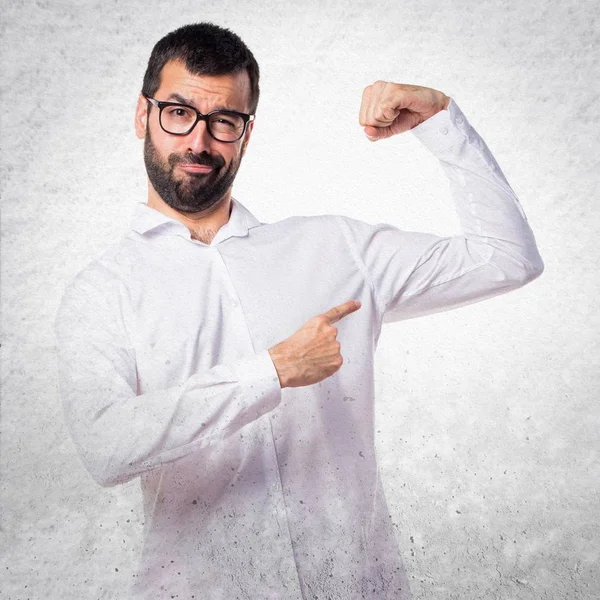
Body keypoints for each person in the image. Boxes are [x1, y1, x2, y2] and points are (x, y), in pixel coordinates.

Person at [54, 22, 544, 600]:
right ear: (143, 115)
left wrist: (441, 122)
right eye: (178, 113)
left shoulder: (336, 250)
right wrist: (271, 371)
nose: (199, 142)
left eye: (224, 122)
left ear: (246, 133)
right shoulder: (102, 292)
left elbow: (507, 259)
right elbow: (106, 447)